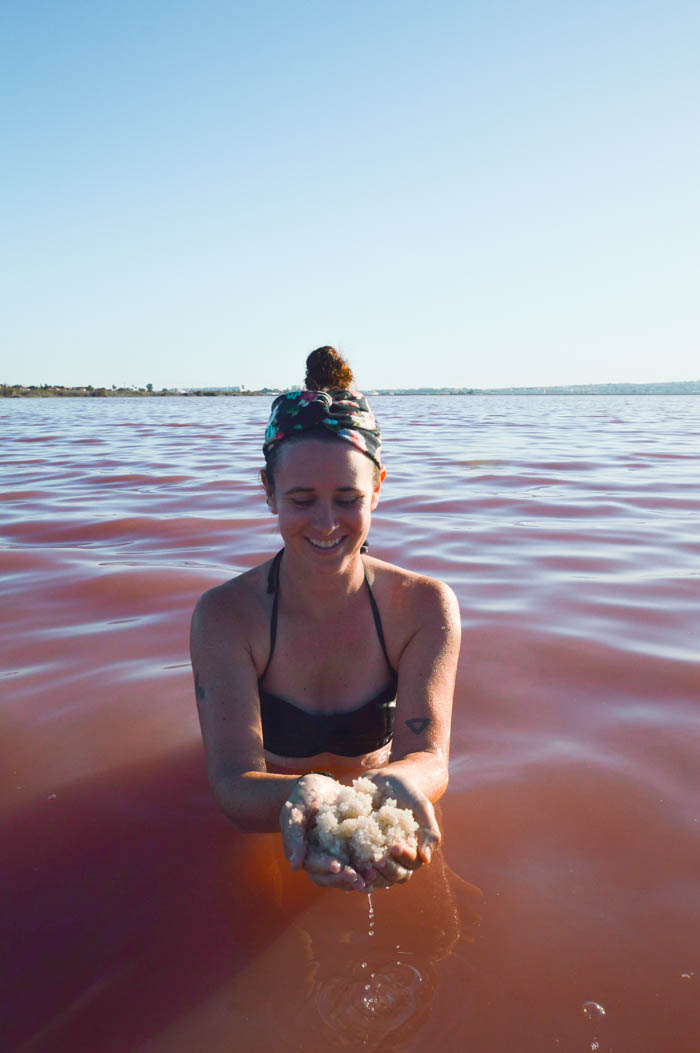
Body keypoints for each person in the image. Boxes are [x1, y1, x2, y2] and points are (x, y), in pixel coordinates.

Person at [190, 347, 461, 893]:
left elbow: (428, 756)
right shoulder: (226, 616)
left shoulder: (425, 607)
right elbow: (232, 782)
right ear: (268, 491)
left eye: (347, 498)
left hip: (380, 798)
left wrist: (398, 782)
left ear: (378, 488)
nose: (325, 522)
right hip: (280, 814)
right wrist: (299, 794)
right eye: (301, 498)